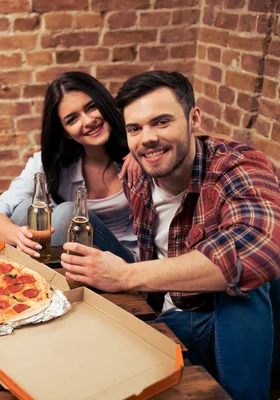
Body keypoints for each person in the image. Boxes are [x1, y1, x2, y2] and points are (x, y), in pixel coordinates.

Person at [61, 70, 280, 399]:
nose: (147, 138)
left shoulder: (236, 166)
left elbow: (256, 250)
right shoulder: (136, 174)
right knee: (67, 216)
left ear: (194, 119)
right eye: (135, 128)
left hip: (216, 318)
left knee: (244, 286)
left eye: (161, 122)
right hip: (163, 310)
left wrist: (124, 275)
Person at [0, 71, 139, 263]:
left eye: (92, 107)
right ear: (65, 133)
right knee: (25, 209)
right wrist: (20, 237)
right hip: (71, 256)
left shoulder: (139, 147)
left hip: (123, 259)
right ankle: (33, 284)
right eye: (72, 119)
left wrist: (140, 151)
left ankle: (44, 283)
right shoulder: (50, 164)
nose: (88, 121)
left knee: (66, 213)